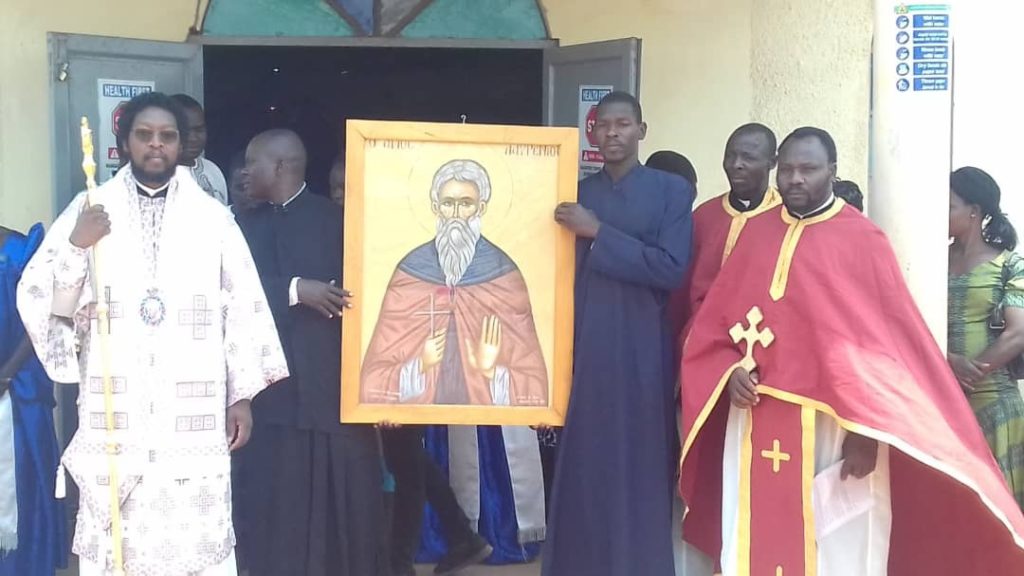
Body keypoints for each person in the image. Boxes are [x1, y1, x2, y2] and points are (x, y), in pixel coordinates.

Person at [679, 127, 1024, 575]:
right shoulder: (755, 234)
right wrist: (729, 372)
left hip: (833, 425)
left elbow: (886, 350)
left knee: (836, 543)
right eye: (787, 170)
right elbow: (715, 328)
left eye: (808, 169)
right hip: (753, 418)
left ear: (832, 171)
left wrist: (868, 435)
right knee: (751, 533)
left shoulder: (861, 240)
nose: (795, 179)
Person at [17, 92, 288, 576]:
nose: (156, 145)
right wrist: (78, 247)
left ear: (181, 145)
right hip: (117, 408)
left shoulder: (214, 219)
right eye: (144, 135)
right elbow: (49, 307)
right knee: (116, 537)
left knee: (193, 539)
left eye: (167, 136)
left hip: (193, 413)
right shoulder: (89, 207)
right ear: (123, 145)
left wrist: (240, 395)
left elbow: (242, 305)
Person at [543, 91, 693, 576]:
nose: (611, 133)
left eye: (622, 124)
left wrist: (600, 233)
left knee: (638, 463)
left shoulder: (670, 192)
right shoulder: (575, 193)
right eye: (602, 125)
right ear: (591, 134)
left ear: (641, 131)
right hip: (585, 346)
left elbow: (670, 268)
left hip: (641, 349)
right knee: (586, 462)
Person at [234, 129, 384, 576]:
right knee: (273, 506)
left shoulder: (337, 221)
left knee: (344, 510)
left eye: (253, 162)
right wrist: (296, 290)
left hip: (331, 391)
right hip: (268, 398)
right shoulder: (241, 225)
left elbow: (375, 299)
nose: (244, 172)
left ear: (280, 167)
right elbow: (227, 292)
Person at [360, 159, 548, 407]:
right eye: (449, 203)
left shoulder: (504, 274)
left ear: (480, 207)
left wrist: (491, 370)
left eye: (466, 203)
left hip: (486, 426)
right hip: (418, 423)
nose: (457, 215)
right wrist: (419, 365)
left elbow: (536, 388)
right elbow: (371, 383)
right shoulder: (410, 271)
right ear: (436, 207)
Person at [948, 166, 1024, 510]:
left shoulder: (1011, 265)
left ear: (974, 212)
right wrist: (948, 365)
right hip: (943, 400)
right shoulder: (925, 260)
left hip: (994, 406)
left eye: (949, 207)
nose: (940, 215)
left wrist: (969, 373)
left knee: (1000, 509)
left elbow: (1017, 333)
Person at [0, 223, 66, 576]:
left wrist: (7, 372)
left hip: (18, 393)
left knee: (24, 490)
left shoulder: (22, 252)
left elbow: (43, 317)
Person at [680, 123, 780, 339]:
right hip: (703, 336)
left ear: (772, 162)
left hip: (765, 338)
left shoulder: (785, 218)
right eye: (730, 156)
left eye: (748, 157)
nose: (736, 165)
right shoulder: (704, 216)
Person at [170, 94, 229, 205]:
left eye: (199, 130)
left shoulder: (212, 170)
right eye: (184, 131)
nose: (192, 138)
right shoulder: (152, 176)